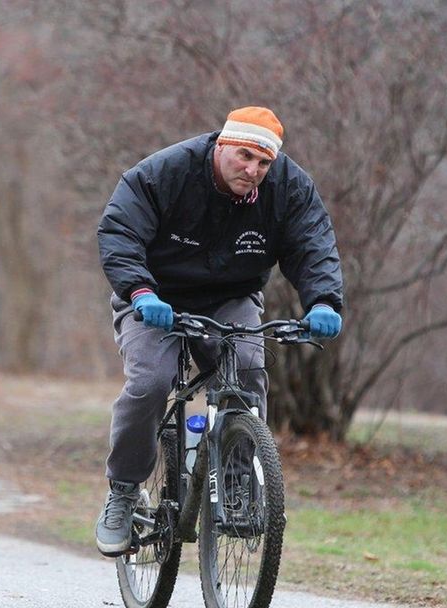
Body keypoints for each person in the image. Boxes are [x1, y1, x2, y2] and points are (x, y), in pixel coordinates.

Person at [94, 106, 345, 557]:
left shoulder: (288, 187)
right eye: (244, 156)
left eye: (263, 163)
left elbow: (313, 244)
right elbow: (120, 232)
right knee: (151, 380)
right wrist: (141, 293)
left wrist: (323, 300)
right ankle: (124, 491)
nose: (252, 170)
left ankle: (238, 477)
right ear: (222, 145)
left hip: (231, 298)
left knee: (247, 371)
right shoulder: (165, 172)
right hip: (153, 298)